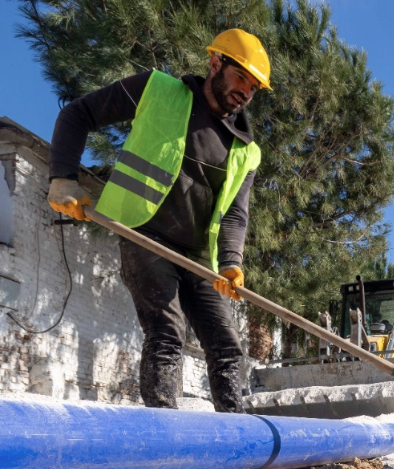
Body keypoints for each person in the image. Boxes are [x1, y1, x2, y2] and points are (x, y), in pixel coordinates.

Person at [46, 29, 270, 413]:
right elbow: (77, 114)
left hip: (198, 256)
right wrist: (63, 178)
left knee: (227, 347)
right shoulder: (157, 89)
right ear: (215, 63)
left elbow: (235, 213)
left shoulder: (247, 151)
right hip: (144, 233)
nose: (245, 92)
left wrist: (231, 262)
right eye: (240, 78)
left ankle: (236, 431)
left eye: (254, 87)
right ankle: (164, 427)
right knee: (167, 332)